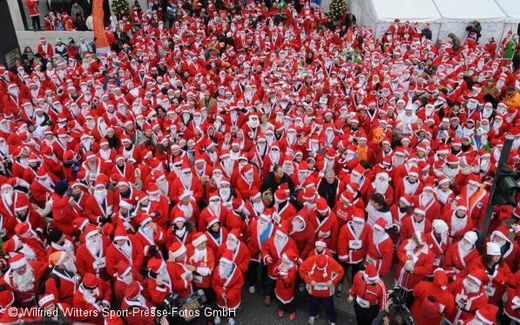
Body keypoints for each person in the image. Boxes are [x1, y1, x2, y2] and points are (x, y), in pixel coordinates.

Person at [299, 253, 344, 325]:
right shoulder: (310, 260)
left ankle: (332, 319)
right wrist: (309, 281)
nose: (320, 270)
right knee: (313, 303)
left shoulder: (331, 261)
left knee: (329, 305)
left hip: (327, 291)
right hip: (313, 289)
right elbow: (301, 270)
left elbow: (341, 272)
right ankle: (313, 315)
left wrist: (332, 281)